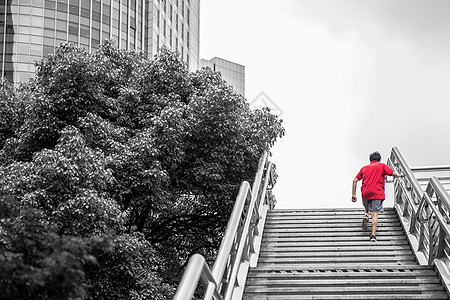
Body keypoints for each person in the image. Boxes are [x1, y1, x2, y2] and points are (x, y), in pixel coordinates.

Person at [352, 151, 404, 242]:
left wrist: (353, 194)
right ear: (379, 159)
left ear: (370, 160)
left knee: (368, 208)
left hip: (365, 193)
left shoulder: (364, 168)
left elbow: (355, 180)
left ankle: (366, 215)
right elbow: (392, 174)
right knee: (375, 213)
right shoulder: (382, 166)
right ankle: (373, 235)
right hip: (377, 192)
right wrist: (398, 175)